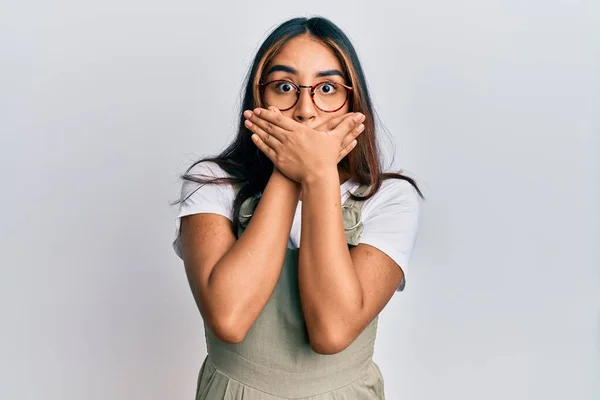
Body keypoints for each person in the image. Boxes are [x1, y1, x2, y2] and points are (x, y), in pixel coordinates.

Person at [172, 16, 424, 400]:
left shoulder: (389, 197)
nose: (305, 110)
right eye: (284, 87)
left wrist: (319, 175)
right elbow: (229, 318)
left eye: (326, 88)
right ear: (259, 97)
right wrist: (291, 173)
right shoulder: (211, 182)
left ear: (354, 102)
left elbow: (332, 331)